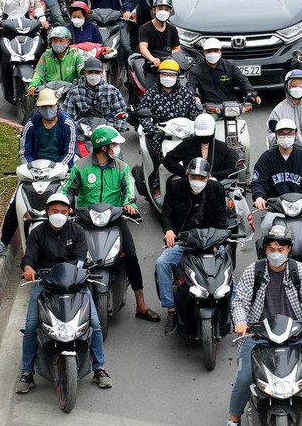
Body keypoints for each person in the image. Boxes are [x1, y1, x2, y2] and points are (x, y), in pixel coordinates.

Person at [227, 224, 302, 426]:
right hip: (258, 337)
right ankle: (233, 419)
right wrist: (241, 323)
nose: (276, 254)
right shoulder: (252, 271)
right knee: (244, 378)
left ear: (289, 250)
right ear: (265, 249)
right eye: (272, 250)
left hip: (296, 335)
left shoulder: (299, 270)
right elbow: (240, 303)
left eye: (280, 250)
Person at [16, 192, 110, 394]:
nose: (58, 214)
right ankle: (27, 373)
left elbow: (81, 257)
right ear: (47, 211)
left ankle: (99, 368)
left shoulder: (76, 231)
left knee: (94, 325)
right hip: (45, 283)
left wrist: (76, 273)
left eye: (63, 211)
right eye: (54, 211)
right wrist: (28, 269)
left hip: (75, 284)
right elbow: (29, 258)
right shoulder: (37, 233)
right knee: (32, 326)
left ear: (69, 212)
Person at [66, 126, 160, 322]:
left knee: (132, 256)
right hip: (85, 219)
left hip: (114, 218)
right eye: (113, 144)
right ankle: (70, 303)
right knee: (71, 256)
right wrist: (67, 206)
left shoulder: (121, 168)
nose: (116, 147)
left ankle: (141, 305)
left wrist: (129, 203)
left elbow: (129, 190)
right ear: (102, 147)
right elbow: (68, 190)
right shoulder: (81, 167)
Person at [0, 87, 77, 259]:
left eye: (51, 106)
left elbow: (69, 153)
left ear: (57, 105)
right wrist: (30, 170)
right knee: (15, 206)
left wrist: (56, 170)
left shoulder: (68, 125)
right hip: (33, 173)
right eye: (44, 107)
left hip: (60, 173)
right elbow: (24, 152)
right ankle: (3, 243)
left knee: (72, 204)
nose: (48, 110)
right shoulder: (31, 125)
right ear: (38, 107)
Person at [156, 156, 229, 333]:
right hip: (184, 241)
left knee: (227, 268)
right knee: (162, 263)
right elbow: (166, 214)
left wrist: (218, 240)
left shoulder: (217, 189)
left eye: (202, 178)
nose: (197, 181)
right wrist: (169, 231)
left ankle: (231, 308)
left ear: (208, 176)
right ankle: (171, 309)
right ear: (187, 173)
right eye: (193, 176)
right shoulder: (175, 187)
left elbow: (221, 220)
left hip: (210, 242)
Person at [137, 59, 202, 172]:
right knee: (165, 161)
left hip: (184, 133)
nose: (168, 77)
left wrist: (198, 125)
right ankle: (158, 182)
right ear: (158, 75)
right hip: (160, 133)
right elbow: (144, 115)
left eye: (171, 75)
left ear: (177, 76)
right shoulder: (150, 94)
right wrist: (150, 128)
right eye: (164, 74)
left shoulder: (186, 93)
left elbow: (195, 114)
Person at [28, 25, 86, 94]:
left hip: (71, 93)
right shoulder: (46, 56)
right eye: (55, 41)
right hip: (50, 94)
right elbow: (39, 74)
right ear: (51, 42)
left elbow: (81, 71)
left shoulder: (76, 56)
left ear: (68, 42)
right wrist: (33, 85)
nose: (58, 43)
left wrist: (84, 73)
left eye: (61, 41)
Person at [137, 0, 181, 84]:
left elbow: (177, 48)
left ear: (170, 11)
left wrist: (167, 58)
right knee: (150, 90)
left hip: (169, 66)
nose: (163, 11)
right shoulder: (144, 28)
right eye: (160, 9)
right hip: (152, 66)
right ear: (154, 10)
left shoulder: (172, 29)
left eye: (166, 9)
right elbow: (143, 48)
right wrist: (152, 58)